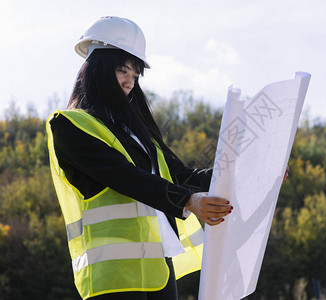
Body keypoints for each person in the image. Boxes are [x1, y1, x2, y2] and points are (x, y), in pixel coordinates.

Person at [46, 16, 232, 300]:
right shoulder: (69, 125)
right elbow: (124, 177)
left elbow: (183, 175)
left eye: (134, 75)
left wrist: (252, 173)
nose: (129, 83)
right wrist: (186, 201)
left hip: (157, 266)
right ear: (97, 69)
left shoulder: (133, 134)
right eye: (122, 71)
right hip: (113, 275)